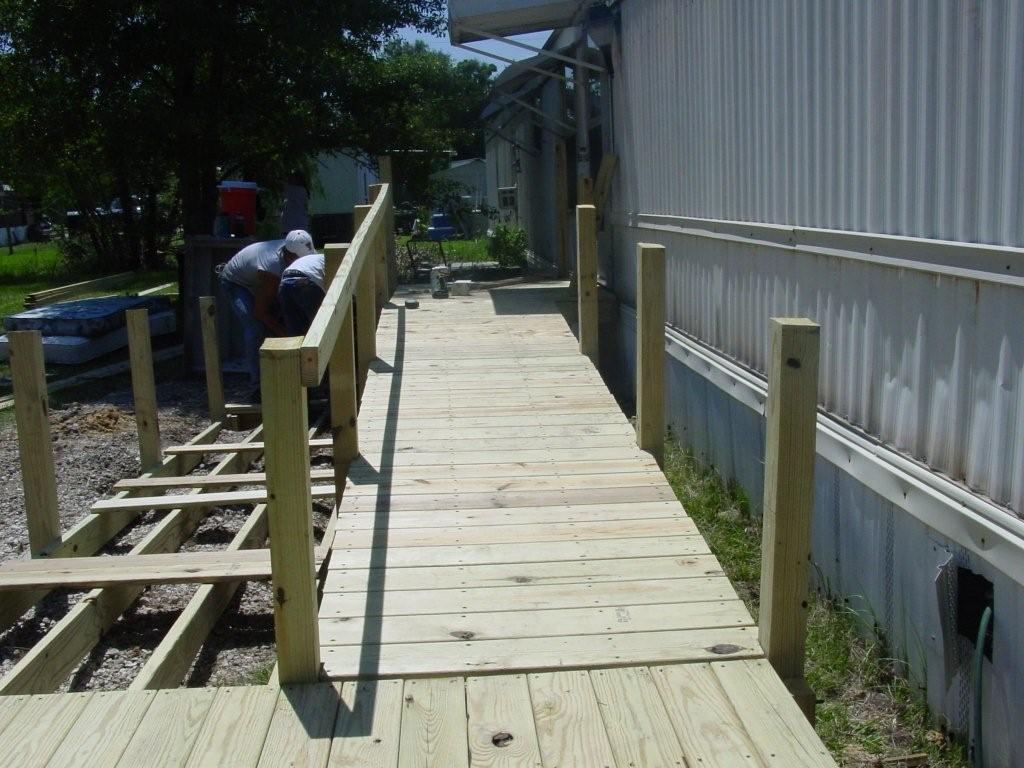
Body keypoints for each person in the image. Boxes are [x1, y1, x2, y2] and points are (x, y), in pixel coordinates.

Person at [218, 229, 314, 390]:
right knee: (255, 327)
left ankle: (281, 373)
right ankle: (258, 385)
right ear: (289, 255)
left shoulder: (299, 251)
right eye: (299, 259)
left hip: (259, 279)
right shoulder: (272, 269)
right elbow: (260, 312)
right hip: (237, 283)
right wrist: (288, 337)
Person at [278, 252, 326, 336]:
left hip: (284, 283)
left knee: (296, 333)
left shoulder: (315, 258)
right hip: (305, 281)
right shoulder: (334, 260)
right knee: (321, 327)